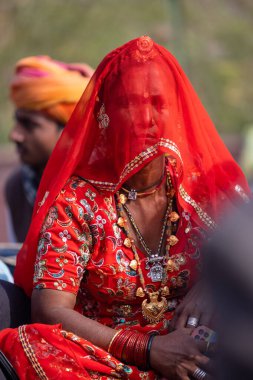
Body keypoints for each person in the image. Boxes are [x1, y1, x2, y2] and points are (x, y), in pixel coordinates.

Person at [0, 36, 250, 380]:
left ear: (175, 109)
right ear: (105, 111)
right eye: (131, 103)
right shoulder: (78, 199)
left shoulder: (202, 186)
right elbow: (50, 309)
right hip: (106, 356)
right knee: (36, 342)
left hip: (199, 349)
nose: (146, 118)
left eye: (158, 103)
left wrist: (210, 283)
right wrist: (147, 349)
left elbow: (243, 246)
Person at [5, 55, 94, 242]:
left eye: (29, 124)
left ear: (68, 132)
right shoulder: (17, 188)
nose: (15, 135)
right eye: (17, 122)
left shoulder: (99, 190)